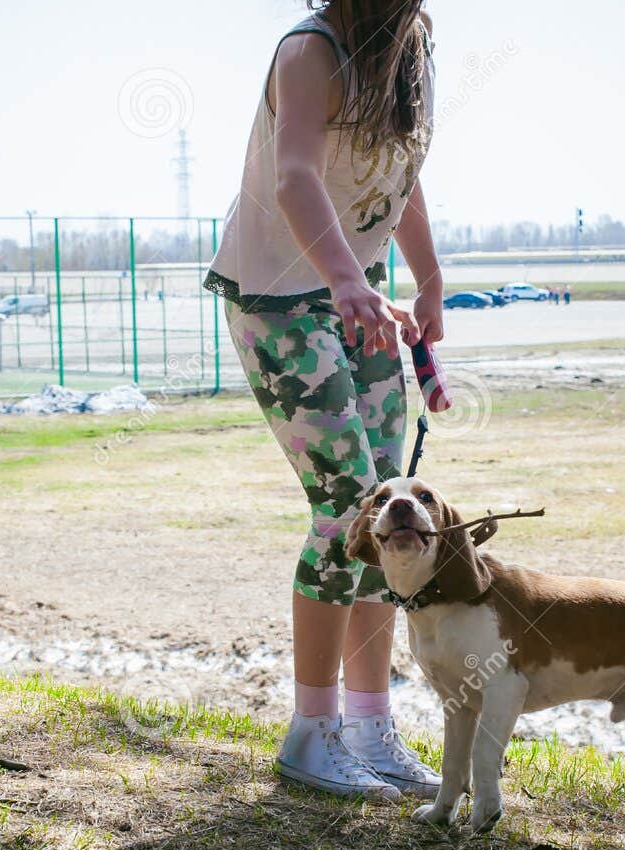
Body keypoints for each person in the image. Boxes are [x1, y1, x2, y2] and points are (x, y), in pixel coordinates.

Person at [204, 0, 443, 801]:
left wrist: (429, 279)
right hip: (278, 295)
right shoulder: (309, 51)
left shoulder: (412, 50)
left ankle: (371, 727)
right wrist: (344, 278)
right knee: (345, 510)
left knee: (387, 512)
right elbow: (296, 177)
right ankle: (312, 732)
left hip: (354, 292)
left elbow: (399, 177)